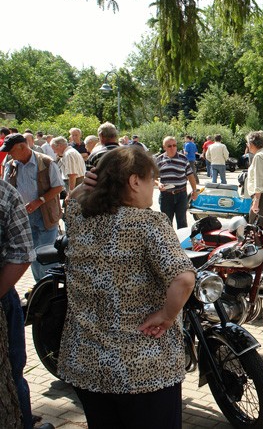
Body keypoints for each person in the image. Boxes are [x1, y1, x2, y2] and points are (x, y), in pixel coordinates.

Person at [58, 146, 195, 429]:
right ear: (134, 181)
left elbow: (74, 200)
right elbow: (183, 279)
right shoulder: (148, 223)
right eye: (150, 180)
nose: (153, 189)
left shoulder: (78, 217)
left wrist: (86, 184)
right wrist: (167, 316)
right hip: (144, 371)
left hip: (87, 365)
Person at [0, 179, 55, 429]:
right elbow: (22, 254)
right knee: (12, 369)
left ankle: (22, 417)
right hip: (3, 294)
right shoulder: (5, 191)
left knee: (13, 370)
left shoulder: (5, 191)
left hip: (4, 294)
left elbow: (21, 255)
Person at [2, 134, 63, 281]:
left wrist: (39, 201)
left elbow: (59, 186)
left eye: (11, 150)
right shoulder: (11, 165)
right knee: (32, 254)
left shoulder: (46, 162)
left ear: (22, 147)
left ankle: (49, 287)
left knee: (46, 253)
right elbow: (6, 189)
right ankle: (39, 286)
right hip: (23, 216)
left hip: (45, 215)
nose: (9, 154)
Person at [155, 136, 198, 229]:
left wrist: (195, 190)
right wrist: (158, 184)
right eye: (169, 146)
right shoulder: (159, 160)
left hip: (181, 195)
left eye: (174, 145)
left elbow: (190, 175)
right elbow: (152, 177)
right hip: (166, 195)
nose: (172, 148)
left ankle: (182, 243)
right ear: (164, 147)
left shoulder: (183, 159)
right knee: (166, 223)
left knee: (182, 222)